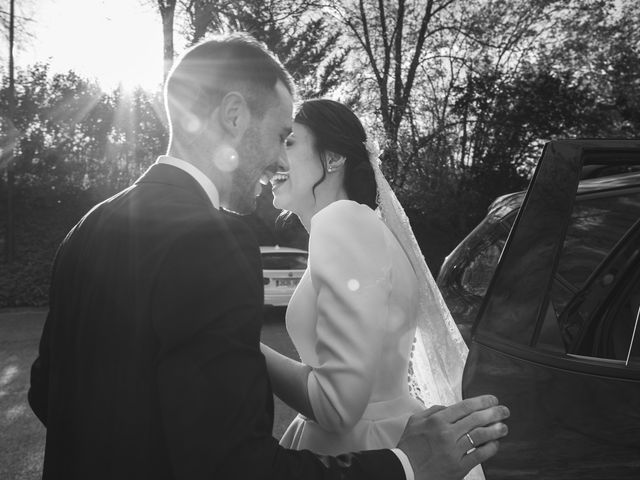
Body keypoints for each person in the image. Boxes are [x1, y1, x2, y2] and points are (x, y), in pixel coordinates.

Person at [28, 33, 509, 480]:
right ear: (234, 115)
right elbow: (232, 465)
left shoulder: (87, 228)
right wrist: (403, 466)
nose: (280, 159)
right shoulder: (209, 237)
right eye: (281, 134)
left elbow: (47, 394)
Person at [261, 99, 484, 479]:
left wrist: (241, 346)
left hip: (364, 449)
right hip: (384, 432)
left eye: (289, 142)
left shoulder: (341, 221)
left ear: (332, 158)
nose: (270, 160)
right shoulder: (361, 226)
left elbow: (335, 407)